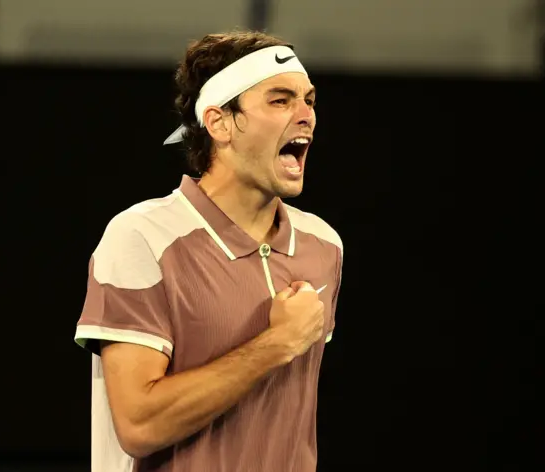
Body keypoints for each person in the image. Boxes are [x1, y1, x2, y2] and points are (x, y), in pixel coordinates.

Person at [74, 30, 344, 472]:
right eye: (280, 100)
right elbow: (140, 425)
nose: (306, 116)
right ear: (219, 123)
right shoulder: (141, 237)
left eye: (309, 100)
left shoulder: (323, 247)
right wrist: (278, 342)